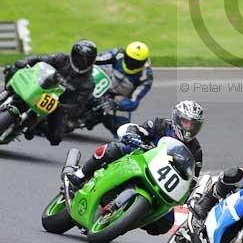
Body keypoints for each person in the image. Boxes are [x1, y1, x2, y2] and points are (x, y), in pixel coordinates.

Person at [68, 100, 205, 235]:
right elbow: (138, 129)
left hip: (163, 180)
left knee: (165, 224)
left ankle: (126, 219)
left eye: (194, 125)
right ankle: (80, 175)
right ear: (176, 118)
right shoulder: (160, 124)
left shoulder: (196, 150)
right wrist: (132, 135)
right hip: (140, 159)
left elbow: (193, 177)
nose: (189, 128)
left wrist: (189, 193)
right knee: (113, 150)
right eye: (186, 122)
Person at [5, 40, 97, 145]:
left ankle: (34, 126)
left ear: (92, 61)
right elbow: (40, 59)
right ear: (72, 54)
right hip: (40, 86)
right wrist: (26, 61)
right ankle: (5, 92)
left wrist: (60, 107)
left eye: (86, 60)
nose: (82, 62)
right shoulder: (62, 58)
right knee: (14, 68)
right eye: (79, 58)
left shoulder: (88, 83)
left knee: (56, 138)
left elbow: (78, 106)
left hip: (56, 104)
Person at [92, 41, 153, 135]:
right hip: (100, 82)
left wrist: (116, 104)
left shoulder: (145, 77)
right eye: (130, 59)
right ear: (125, 55)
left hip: (117, 98)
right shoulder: (117, 54)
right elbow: (95, 59)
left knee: (124, 130)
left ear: (143, 62)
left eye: (136, 62)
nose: (132, 63)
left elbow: (134, 101)